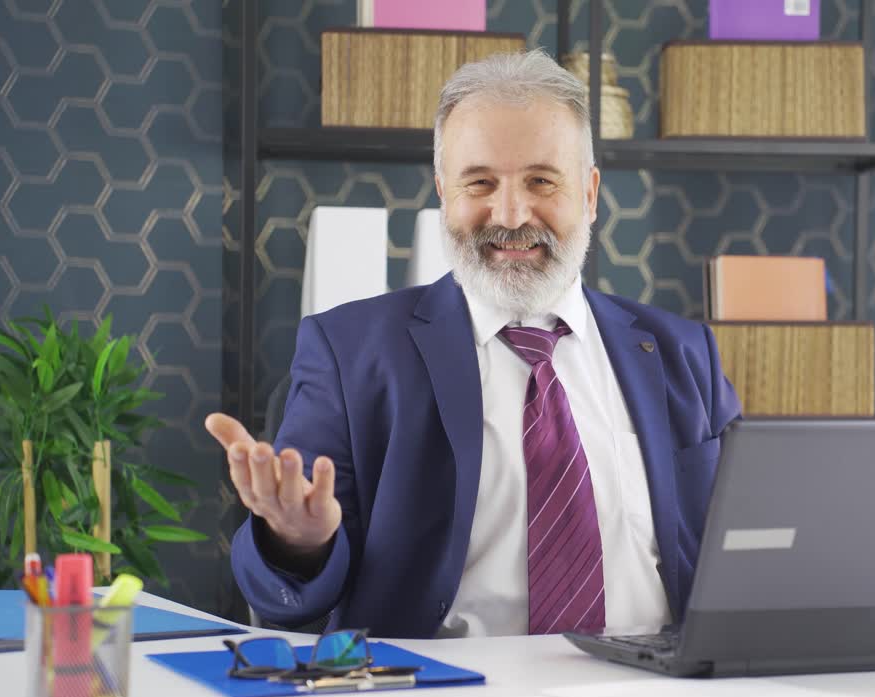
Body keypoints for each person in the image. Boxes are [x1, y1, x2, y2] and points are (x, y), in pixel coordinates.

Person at [205, 49, 741, 639]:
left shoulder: (683, 353)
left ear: (589, 194)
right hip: (449, 694)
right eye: (480, 182)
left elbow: (746, 547)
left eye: (541, 180)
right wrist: (297, 543)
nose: (510, 214)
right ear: (443, 193)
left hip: (656, 689)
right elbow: (286, 599)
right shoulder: (348, 352)